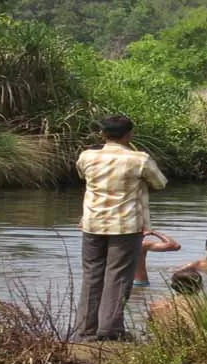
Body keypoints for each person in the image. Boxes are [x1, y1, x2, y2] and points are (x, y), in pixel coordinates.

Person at [75, 115, 167, 341]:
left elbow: (82, 175)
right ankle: (110, 330)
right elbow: (160, 183)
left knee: (92, 275)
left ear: (102, 134)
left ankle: (86, 330)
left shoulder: (87, 157)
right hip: (125, 226)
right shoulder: (139, 159)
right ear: (129, 135)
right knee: (117, 276)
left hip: (92, 224)